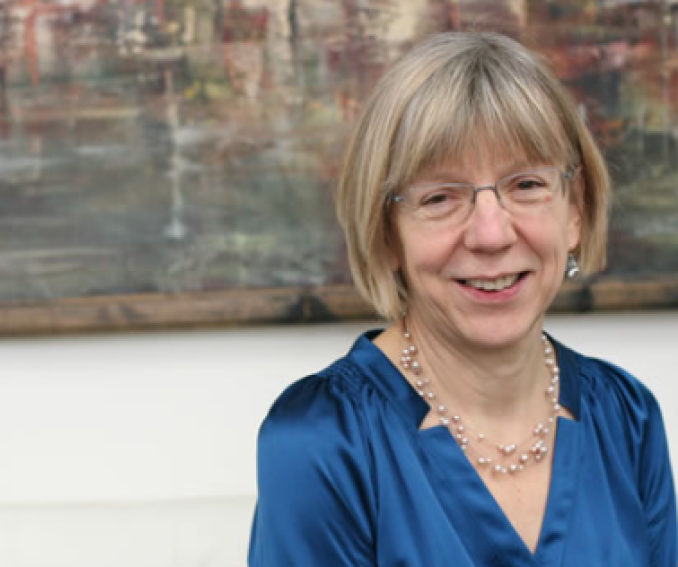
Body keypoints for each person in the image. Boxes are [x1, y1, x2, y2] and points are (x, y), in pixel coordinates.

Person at [248, 31, 676, 566]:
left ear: (575, 209)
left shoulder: (626, 419)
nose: (491, 234)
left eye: (525, 185)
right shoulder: (323, 441)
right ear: (386, 233)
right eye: (440, 197)